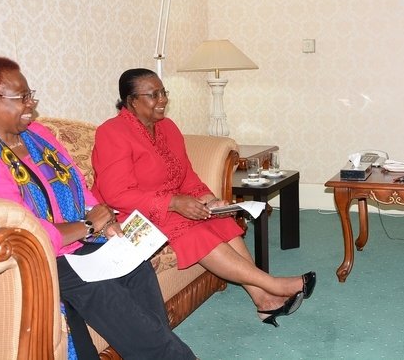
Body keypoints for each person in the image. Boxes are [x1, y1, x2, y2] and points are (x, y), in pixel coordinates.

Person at [0, 57, 196, 360]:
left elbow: (76, 181)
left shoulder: (38, 136)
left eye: (30, 94)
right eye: (21, 97)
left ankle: (156, 348)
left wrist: (106, 220)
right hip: (42, 257)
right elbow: (25, 231)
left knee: (137, 266)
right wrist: (88, 226)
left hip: (80, 243)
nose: (31, 105)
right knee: (108, 297)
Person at [91, 68, 315, 327]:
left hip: (172, 204)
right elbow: (116, 194)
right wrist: (174, 202)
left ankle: (262, 299)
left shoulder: (168, 127)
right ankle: (273, 284)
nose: (162, 99)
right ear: (131, 101)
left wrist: (208, 199)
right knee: (194, 232)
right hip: (129, 216)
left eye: (163, 92)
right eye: (153, 95)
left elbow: (185, 175)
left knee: (217, 220)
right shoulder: (112, 132)